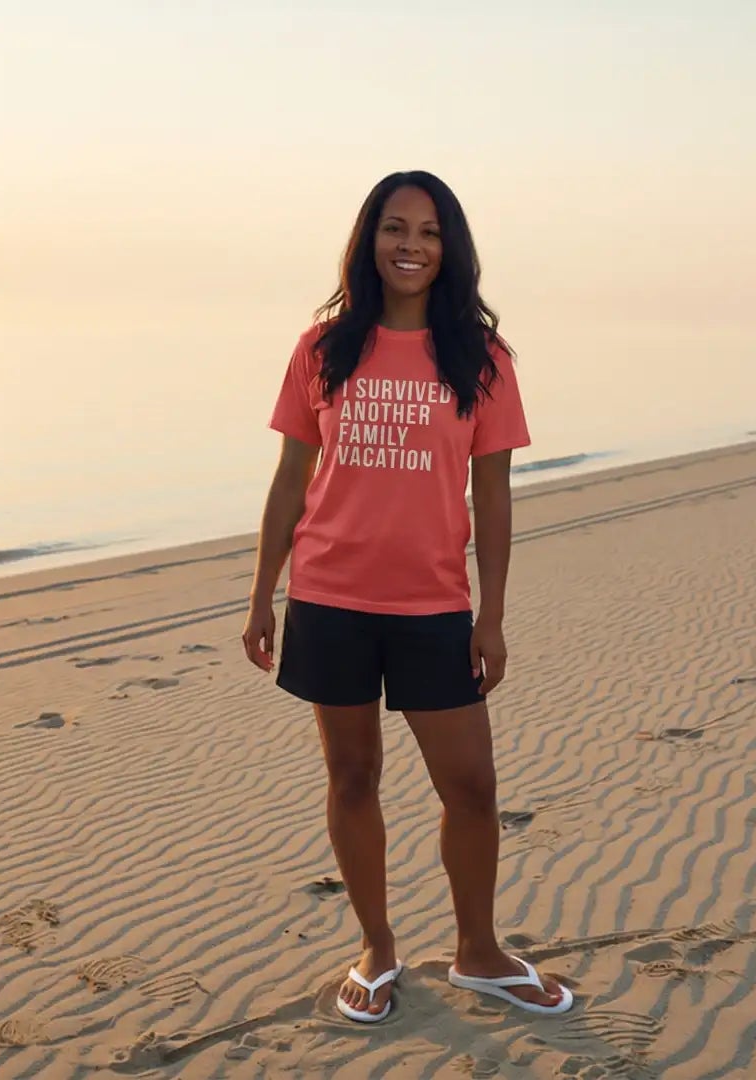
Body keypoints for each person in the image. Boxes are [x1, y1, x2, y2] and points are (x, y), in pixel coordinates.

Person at [241, 170, 572, 1023]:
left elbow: (492, 497)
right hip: (330, 597)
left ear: (450, 247)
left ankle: (479, 951)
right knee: (352, 777)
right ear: (369, 240)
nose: (411, 246)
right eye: (395, 229)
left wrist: (491, 615)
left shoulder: (481, 359)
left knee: (472, 787)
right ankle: (377, 947)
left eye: (428, 232)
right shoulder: (323, 350)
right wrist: (260, 595)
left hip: (433, 606)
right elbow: (289, 480)